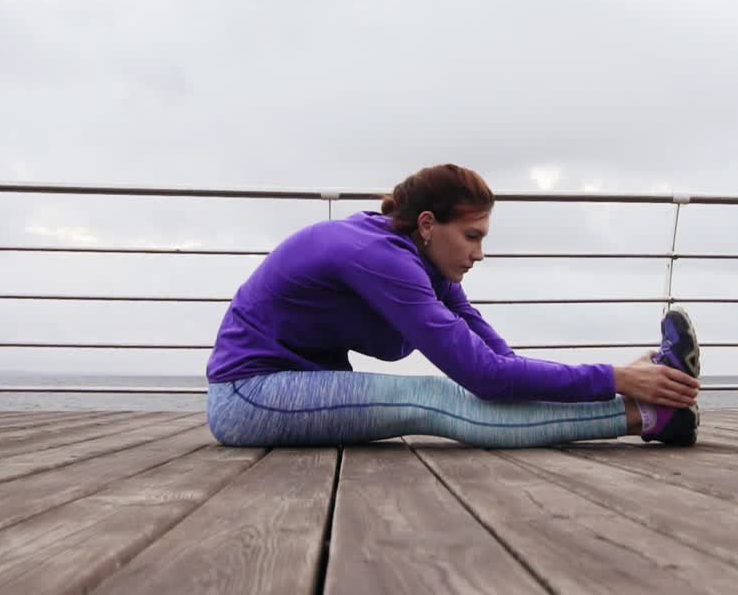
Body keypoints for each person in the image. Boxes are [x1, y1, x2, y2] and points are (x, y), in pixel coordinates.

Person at [205, 163, 702, 448]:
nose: (478, 253)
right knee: (434, 399)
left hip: (298, 384)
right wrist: (615, 380)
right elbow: (483, 378)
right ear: (427, 224)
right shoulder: (379, 257)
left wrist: (615, 379)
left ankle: (652, 402)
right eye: (471, 236)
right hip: (248, 395)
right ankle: (645, 416)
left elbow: (500, 365)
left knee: (459, 392)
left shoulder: (427, 265)